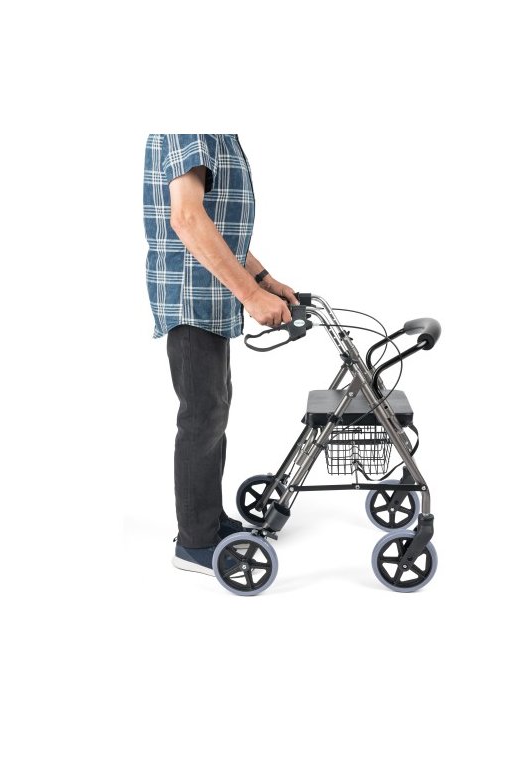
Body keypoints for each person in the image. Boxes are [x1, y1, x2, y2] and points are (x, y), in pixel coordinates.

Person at [143, 134, 297, 575]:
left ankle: (208, 520)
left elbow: (217, 227)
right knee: (201, 416)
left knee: (213, 410)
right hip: (191, 299)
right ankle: (194, 542)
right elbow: (188, 217)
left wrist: (263, 280)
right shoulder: (189, 126)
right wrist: (251, 295)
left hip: (210, 297)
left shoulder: (216, 132)